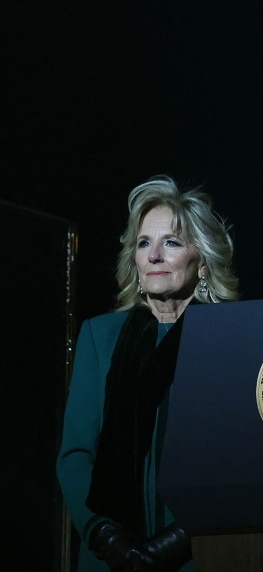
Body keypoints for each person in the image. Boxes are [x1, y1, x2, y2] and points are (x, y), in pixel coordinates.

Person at [58, 176, 239, 572]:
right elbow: (75, 455)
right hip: (110, 558)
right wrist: (107, 536)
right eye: (144, 243)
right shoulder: (98, 336)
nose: (154, 255)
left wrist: (175, 544)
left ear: (203, 259)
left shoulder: (232, 338)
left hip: (197, 555)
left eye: (171, 242)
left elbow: (240, 460)